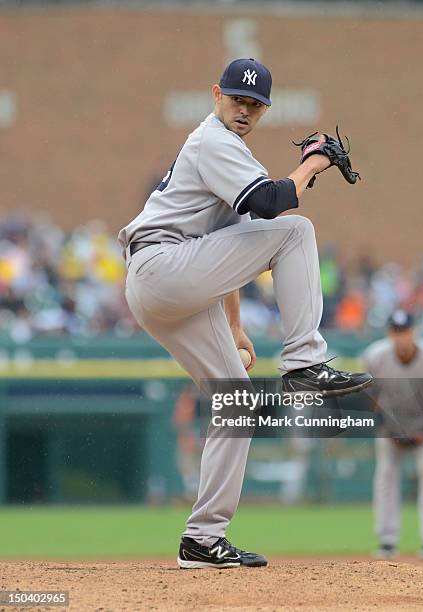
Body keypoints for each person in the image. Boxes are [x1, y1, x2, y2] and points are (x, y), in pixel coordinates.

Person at [119, 58, 372, 569]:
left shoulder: (228, 151)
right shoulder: (213, 140)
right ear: (216, 95)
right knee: (296, 231)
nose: (245, 110)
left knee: (236, 400)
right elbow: (270, 203)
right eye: (238, 99)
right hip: (164, 265)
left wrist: (235, 325)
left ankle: (202, 539)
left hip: (168, 280)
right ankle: (304, 361)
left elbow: (227, 237)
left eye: (255, 105)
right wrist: (316, 161)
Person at [362, 310, 423, 560]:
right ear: (390, 333)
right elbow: (368, 396)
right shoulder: (375, 357)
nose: (401, 337)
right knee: (386, 475)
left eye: (405, 331)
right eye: (396, 331)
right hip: (391, 426)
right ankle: (387, 541)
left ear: (414, 332)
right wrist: (388, 429)